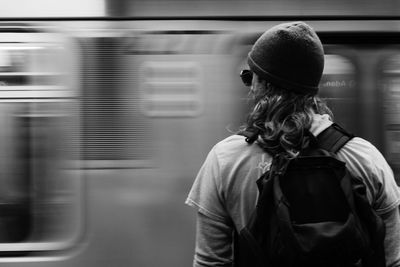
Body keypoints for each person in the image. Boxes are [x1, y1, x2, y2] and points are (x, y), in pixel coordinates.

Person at [185, 21, 400, 266]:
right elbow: (392, 259)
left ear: (261, 84)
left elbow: (210, 262)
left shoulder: (224, 161)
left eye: (249, 77)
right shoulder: (367, 159)